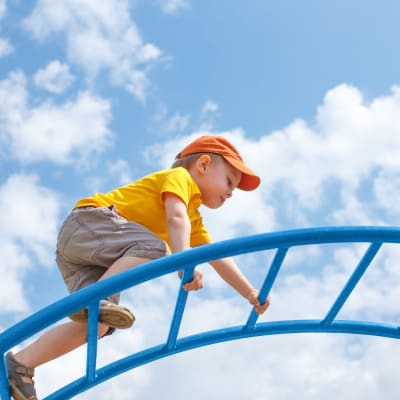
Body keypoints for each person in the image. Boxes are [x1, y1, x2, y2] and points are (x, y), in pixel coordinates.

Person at [6, 135, 271, 400]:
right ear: (203, 165)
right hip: (88, 224)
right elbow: (175, 218)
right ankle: (98, 298)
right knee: (155, 248)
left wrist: (249, 292)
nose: (231, 193)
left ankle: (22, 363)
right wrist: (183, 260)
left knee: (99, 324)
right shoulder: (180, 179)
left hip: (88, 255)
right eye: (229, 181)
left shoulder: (194, 218)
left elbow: (217, 256)